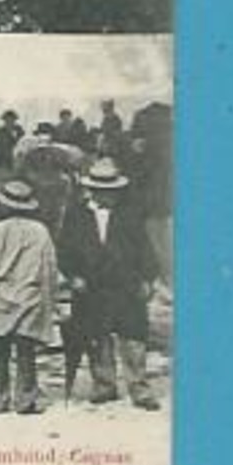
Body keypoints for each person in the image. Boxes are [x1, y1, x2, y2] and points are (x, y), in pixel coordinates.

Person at [57, 157, 160, 410]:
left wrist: (147, 279)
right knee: (97, 334)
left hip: (126, 284)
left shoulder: (130, 213)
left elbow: (145, 249)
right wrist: (73, 277)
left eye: (113, 192)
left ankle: (139, 387)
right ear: (92, 190)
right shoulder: (76, 215)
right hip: (91, 286)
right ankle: (105, 385)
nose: (109, 197)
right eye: (104, 192)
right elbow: (64, 251)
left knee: (133, 335)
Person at [0, 180, 58, 414]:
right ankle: (25, 399)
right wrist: (51, 298)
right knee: (26, 351)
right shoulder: (41, 231)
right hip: (29, 295)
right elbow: (50, 266)